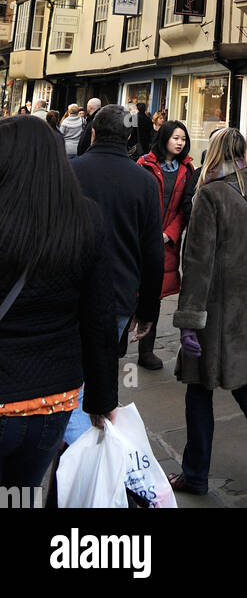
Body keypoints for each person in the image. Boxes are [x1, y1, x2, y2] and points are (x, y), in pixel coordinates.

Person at [170, 127, 247, 502]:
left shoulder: (209, 193)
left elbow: (197, 261)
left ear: (214, 152)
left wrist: (189, 318)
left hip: (215, 310)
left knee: (199, 389)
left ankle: (195, 474)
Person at [0, 115, 119, 487]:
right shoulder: (86, 218)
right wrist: (102, 400)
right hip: (53, 400)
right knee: (20, 493)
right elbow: (100, 318)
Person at [65, 104, 164, 441]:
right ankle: (95, 449)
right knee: (103, 372)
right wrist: (148, 309)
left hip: (70, 293)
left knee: (70, 378)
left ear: (92, 133)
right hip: (119, 295)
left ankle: (76, 453)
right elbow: (153, 254)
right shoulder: (145, 182)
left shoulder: (71, 172)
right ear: (129, 137)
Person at [135, 121, 195, 371]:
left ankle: (145, 351)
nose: (180, 142)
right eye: (175, 138)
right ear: (164, 138)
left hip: (167, 241)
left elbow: (186, 207)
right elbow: (134, 199)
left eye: (183, 138)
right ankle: (114, 346)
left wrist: (169, 234)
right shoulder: (144, 164)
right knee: (130, 291)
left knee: (154, 294)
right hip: (140, 237)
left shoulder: (187, 168)